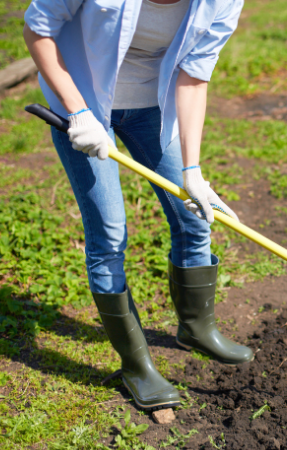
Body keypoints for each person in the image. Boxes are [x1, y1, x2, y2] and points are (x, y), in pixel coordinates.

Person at [23, 0, 252, 410]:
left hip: (153, 108)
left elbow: (195, 77)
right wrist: (78, 112)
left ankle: (196, 329)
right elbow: (37, 27)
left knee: (193, 216)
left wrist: (193, 170)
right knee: (109, 235)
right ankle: (136, 366)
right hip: (85, 106)